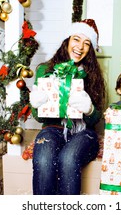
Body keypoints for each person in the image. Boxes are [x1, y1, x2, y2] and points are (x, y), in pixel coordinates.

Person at [29, 19, 106, 195]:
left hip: (84, 132)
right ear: (67, 41)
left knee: (68, 158)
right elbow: (39, 117)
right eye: (76, 39)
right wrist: (36, 104)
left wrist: (90, 110)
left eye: (87, 43)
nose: (80, 46)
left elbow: (97, 118)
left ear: (91, 49)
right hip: (53, 128)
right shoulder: (45, 70)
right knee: (43, 158)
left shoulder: (92, 76)